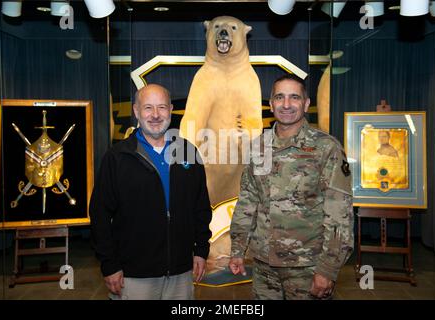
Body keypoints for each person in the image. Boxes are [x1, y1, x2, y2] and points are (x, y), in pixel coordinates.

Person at [228, 74, 354, 300]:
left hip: (307, 268)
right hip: (264, 266)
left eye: (294, 97)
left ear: (305, 104)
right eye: (280, 97)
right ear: (270, 103)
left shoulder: (326, 148)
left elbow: (339, 216)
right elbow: (248, 201)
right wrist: (237, 250)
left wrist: (328, 270)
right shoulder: (259, 146)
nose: (286, 105)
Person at [90, 84, 212, 300]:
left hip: (181, 274)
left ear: (171, 110)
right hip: (134, 275)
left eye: (162, 107)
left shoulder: (188, 152)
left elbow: (201, 208)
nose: (155, 115)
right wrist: (109, 265)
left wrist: (201, 250)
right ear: (136, 111)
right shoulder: (118, 158)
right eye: (148, 108)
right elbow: (100, 215)